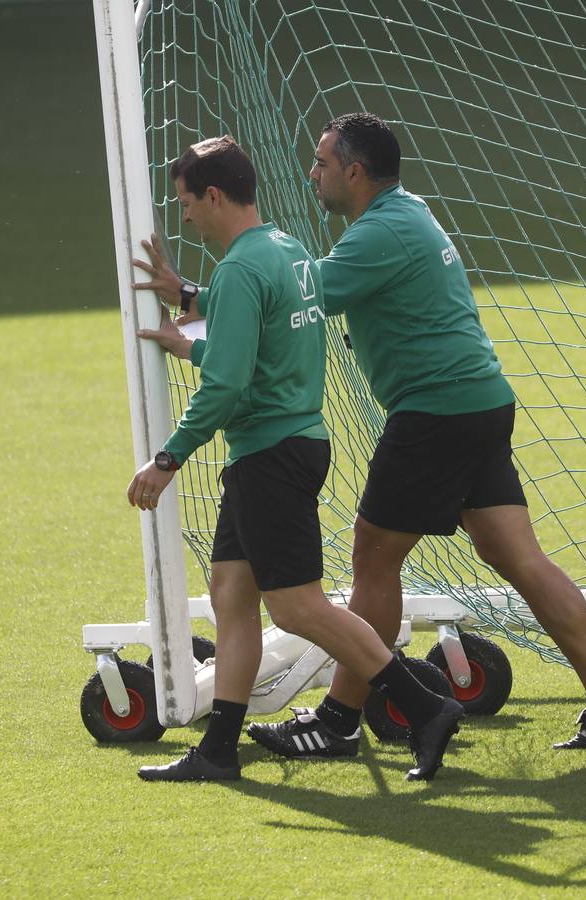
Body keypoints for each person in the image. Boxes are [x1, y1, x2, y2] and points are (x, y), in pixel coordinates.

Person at [139, 115, 586, 760]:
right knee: (515, 557)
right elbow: (285, 289)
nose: (313, 173)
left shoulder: (378, 234)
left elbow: (297, 296)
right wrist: (199, 298)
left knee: (374, 558)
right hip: (480, 402)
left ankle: (339, 719)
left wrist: (192, 297)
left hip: (434, 412)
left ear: (354, 172)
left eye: (322, 162)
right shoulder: (407, 214)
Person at [125, 135, 463, 783]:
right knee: (230, 594)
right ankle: (219, 751)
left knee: (297, 608)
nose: (185, 216)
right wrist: (188, 333)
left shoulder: (243, 268)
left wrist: (166, 462)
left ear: (215, 196)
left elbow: (227, 387)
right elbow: (260, 350)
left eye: (188, 203)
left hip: (270, 456)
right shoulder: (288, 252)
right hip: (285, 445)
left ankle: (425, 706)